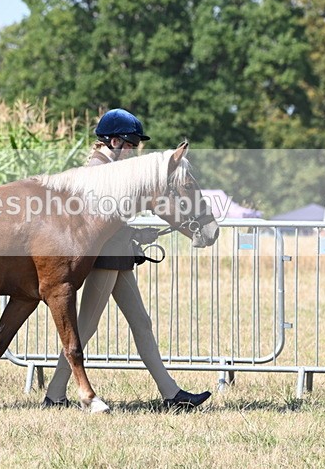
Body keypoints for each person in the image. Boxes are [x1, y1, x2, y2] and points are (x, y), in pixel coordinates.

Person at [41, 108, 211, 410]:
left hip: (118, 254)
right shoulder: (97, 168)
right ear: (112, 141)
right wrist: (133, 232)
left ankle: (171, 394)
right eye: (129, 143)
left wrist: (137, 233)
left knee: (142, 324)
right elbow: (96, 218)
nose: (133, 149)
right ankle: (55, 393)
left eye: (135, 144)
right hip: (105, 257)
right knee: (86, 326)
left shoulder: (115, 168)